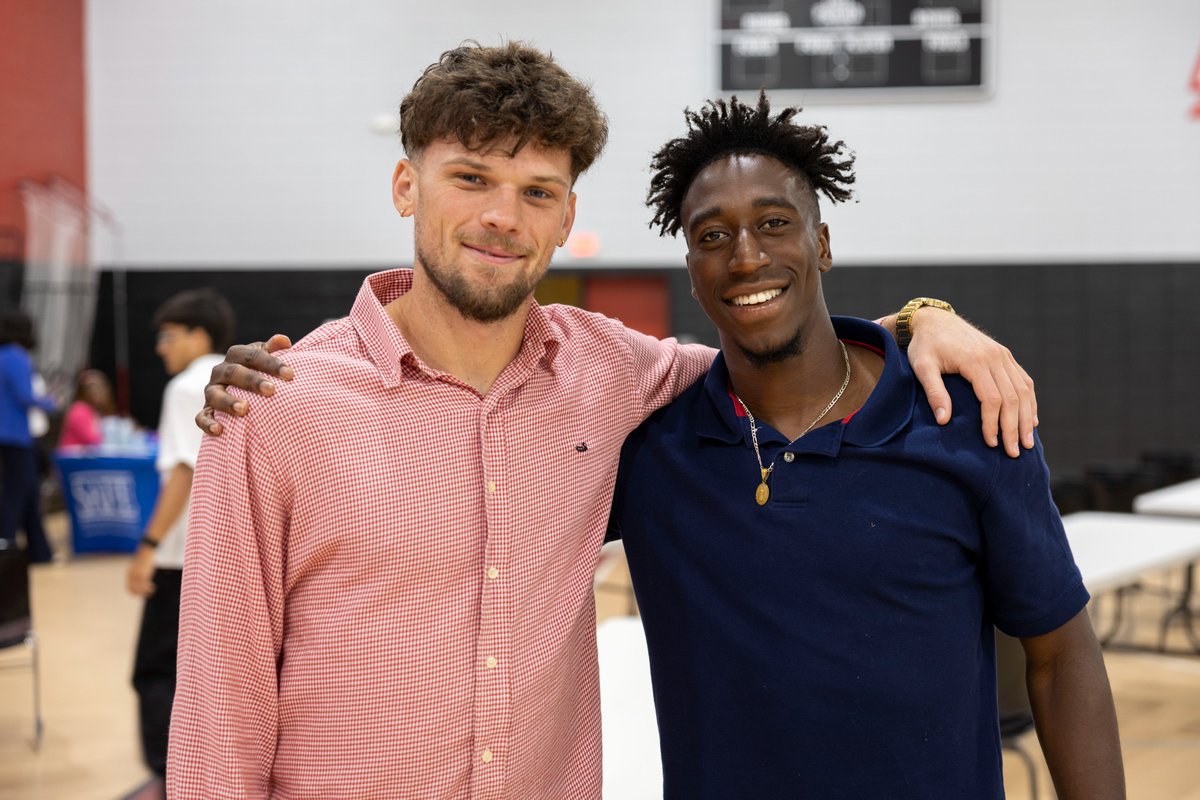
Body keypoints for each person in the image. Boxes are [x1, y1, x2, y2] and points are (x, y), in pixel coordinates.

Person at [170, 43, 1038, 798]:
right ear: (407, 185)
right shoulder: (276, 406)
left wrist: (924, 317)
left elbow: (779, 356)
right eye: (470, 178)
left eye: (537, 191)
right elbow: (220, 707)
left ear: (568, 217)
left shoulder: (614, 371)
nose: (503, 217)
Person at [607, 93, 1124, 798]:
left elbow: (1061, 657)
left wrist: (921, 316)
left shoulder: (966, 420)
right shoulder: (647, 452)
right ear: (693, 269)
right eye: (712, 236)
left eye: (774, 223)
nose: (746, 256)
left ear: (821, 243)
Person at [126, 288, 234, 796]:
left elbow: (184, 474)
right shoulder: (240, 379)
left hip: (181, 558)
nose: (160, 348)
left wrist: (147, 547)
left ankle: (168, 777)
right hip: (225, 555)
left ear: (198, 335)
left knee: (156, 670)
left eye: (167, 336)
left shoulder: (189, 386)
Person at [0, 311, 57, 563]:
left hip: (10, 436)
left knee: (29, 493)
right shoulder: (16, 357)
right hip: (15, 436)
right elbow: (25, 396)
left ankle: (40, 552)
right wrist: (51, 403)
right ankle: (6, 546)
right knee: (18, 492)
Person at [57, 369, 116, 448]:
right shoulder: (79, 409)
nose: (97, 392)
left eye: (101, 388)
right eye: (93, 388)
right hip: (72, 457)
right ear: (83, 390)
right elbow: (91, 439)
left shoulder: (95, 410)